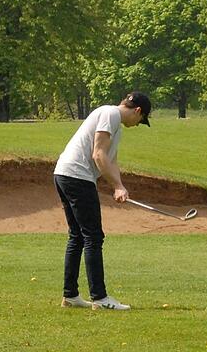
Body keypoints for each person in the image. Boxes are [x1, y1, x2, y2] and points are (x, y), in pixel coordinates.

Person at [54, 92, 152, 310]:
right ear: (137, 111)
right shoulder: (110, 114)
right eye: (141, 120)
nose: (138, 124)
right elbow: (98, 155)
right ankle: (100, 298)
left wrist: (119, 185)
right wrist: (117, 186)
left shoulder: (115, 126)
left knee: (78, 236)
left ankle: (70, 296)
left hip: (65, 174)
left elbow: (110, 161)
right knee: (93, 237)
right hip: (76, 176)